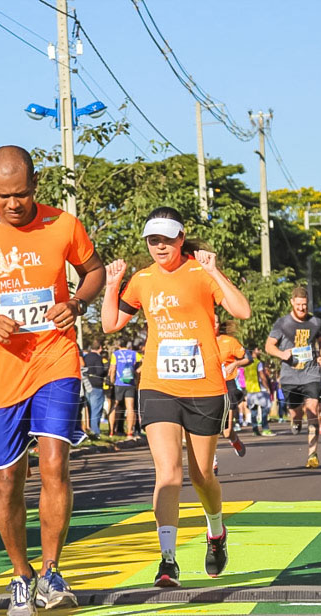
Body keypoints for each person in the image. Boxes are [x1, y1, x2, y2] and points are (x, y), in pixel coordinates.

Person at [0, 145, 105, 616]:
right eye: (5, 195)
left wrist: (78, 304)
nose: (14, 203)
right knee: (7, 479)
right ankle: (21, 574)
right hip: (2, 370)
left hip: (55, 360)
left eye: (23, 194)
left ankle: (52, 571)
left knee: (54, 464)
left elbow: (94, 271)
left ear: (35, 185)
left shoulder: (62, 225)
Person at [102, 206, 250, 587]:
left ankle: (216, 532)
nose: (160, 246)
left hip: (204, 387)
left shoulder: (201, 273)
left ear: (181, 238)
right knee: (167, 473)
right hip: (158, 384)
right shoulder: (142, 279)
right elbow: (110, 324)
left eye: (167, 239)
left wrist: (215, 270)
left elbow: (242, 311)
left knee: (202, 477)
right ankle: (167, 561)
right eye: (153, 240)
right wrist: (111, 284)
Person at [265, 285, 321, 468]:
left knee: (313, 409)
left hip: (311, 373)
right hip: (290, 376)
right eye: (299, 304)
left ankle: (312, 455)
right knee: (296, 412)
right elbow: (269, 346)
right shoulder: (283, 323)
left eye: (305, 305)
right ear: (292, 302)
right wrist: (282, 354)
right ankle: (295, 419)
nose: (302, 308)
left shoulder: (315, 322)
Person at [216, 318, 249, 460]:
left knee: (227, 432)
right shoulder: (199, 342)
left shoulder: (228, 341)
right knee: (208, 430)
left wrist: (235, 364)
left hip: (228, 385)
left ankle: (235, 441)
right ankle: (212, 461)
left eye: (216, 322)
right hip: (208, 387)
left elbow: (248, 358)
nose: (213, 324)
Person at [108, 339, 140, 437]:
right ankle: (129, 432)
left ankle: (112, 431)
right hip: (130, 383)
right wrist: (137, 377)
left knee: (115, 406)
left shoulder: (116, 354)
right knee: (130, 407)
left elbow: (113, 368)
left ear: (118, 345)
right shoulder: (134, 354)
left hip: (118, 383)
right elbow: (142, 364)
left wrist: (112, 380)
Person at [242, 347, 274, 436]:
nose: (259, 351)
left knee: (253, 412)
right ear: (253, 351)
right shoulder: (257, 362)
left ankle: (255, 430)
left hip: (250, 390)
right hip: (260, 390)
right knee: (265, 410)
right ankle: (265, 429)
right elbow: (262, 376)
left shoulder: (245, 363)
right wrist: (267, 387)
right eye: (258, 349)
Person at [82, 341, 107, 436]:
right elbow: (100, 371)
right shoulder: (98, 358)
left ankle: (89, 429)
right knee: (96, 409)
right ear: (100, 348)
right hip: (96, 385)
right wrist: (105, 371)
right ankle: (95, 431)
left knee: (89, 409)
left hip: (86, 384)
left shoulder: (86, 357)